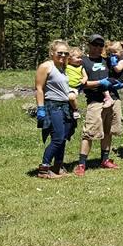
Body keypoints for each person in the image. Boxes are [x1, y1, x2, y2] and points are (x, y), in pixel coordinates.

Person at [73, 35, 123, 176]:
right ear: (89, 45)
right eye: (94, 44)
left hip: (113, 99)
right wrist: (99, 83)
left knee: (108, 131)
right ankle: (81, 164)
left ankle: (105, 160)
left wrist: (118, 82)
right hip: (95, 100)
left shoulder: (107, 60)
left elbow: (117, 75)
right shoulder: (83, 61)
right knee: (89, 133)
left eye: (100, 45)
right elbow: (81, 83)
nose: (97, 47)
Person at [34, 40, 76, 178]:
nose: (63, 55)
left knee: (63, 138)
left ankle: (57, 167)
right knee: (58, 138)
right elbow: (39, 88)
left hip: (65, 106)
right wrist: (41, 108)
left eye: (66, 53)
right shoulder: (46, 66)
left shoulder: (63, 67)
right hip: (52, 106)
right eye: (60, 53)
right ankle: (44, 169)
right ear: (52, 53)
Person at [65, 47, 85, 120]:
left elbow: (85, 76)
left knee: (71, 97)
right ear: (69, 59)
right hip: (65, 86)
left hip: (75, 87)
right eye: (78, 58)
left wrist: (84, 79)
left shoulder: (81, 67)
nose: (80, 59)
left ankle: (76, 110)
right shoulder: (66, 66)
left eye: (81, 58)